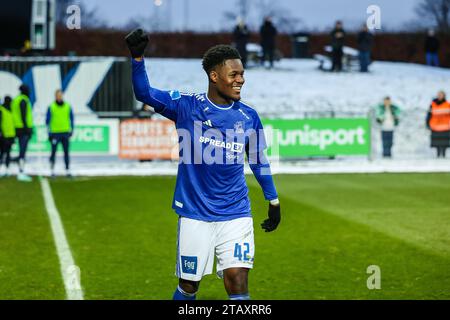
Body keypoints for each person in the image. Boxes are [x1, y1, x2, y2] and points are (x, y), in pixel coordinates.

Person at [126, 29, 281, 301]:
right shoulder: (185, 107)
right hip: (195, 213)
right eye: (234, 75)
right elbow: (145, 93)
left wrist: (274, 200)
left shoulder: (248, 116)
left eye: (242, 74)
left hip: (236, 213)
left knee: (238, 281)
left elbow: (258, 160)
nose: (240, 80)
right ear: (214, 76)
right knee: (189, 285)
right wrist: (137, 58)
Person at [46, 89, 74, 177]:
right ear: (55, 96)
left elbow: (71, 119)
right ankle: (52, 169)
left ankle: (67, 169)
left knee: (66, 152)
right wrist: (49, 133)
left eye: (60, 95)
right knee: (53, 152)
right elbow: (47, 121)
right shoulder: (51, 107)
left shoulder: (68, 106)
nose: (59, 97)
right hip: (55, 133)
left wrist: (71, 130)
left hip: (65, 132)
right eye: (58, 95)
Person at [11, 84, 34, 182]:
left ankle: (21, 170)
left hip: (17, 128)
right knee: (22, 151)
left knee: (21, 150)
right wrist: (27, 128)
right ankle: (21, 171)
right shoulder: (23, 100)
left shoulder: (16, 100)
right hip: (23, 129)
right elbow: (23, 115)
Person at [426, 91, 450, 158]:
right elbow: (429, 115)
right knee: (437, 142)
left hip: (445, 126)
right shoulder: (432, 105)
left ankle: (444, 154)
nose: (440, 96)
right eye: (439, 95)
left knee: (444, 142)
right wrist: (427, 124)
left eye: (441, 95)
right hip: (435, 126)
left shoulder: (448, 104)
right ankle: (438, 155)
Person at [0, 96, 16, 177]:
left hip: (11, 135)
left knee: (8, 152)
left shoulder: (12, 110)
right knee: (2, 152)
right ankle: (1, 168)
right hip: (3, 136)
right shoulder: (1, 110)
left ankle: (7, 168)